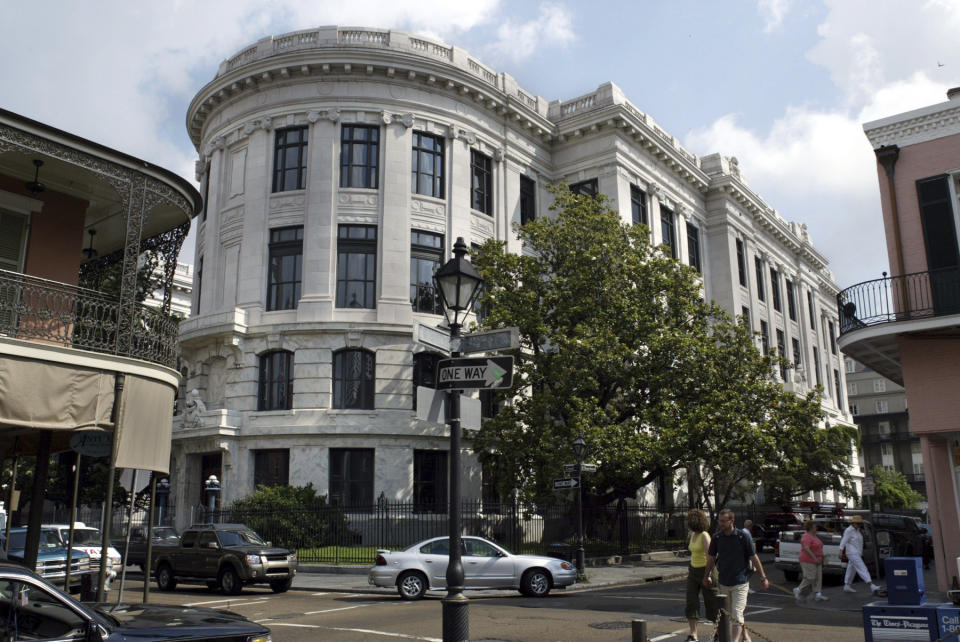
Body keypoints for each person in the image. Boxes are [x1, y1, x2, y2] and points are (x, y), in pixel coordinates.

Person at [704, 508, 769, 642]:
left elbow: (754, 557)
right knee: (730, 615)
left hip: (741, 582)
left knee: (737, 614)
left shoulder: (742, 536)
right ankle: (745, 636)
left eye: (724, 521)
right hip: (724, 582)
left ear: (732, 521)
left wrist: (763, 577)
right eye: (719, 521)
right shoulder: (717, 537)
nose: (721, 524)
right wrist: (707, 575)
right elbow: (710, 558)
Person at [685, 509, 720, 642]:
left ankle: (718, 633)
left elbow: (710, 556)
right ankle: (693, 634)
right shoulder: (693, 534)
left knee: (712, 603)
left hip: (706, 570)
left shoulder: (704, 535)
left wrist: (709, 574)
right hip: (693, 571)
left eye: (690, 520)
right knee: (691, 602)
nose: (688, 522)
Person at [839, 515, 880, 593]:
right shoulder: (849, 531)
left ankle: (847, 585)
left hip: (856, 552)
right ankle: (871, 585)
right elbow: (843, 541)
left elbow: (859, 542)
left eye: (860, 524)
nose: (859, 525)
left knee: (851, 569)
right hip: (852, 552)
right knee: (862, 567)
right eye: (858, 524)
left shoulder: (857, 530)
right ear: (853, 523)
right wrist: (840, 551)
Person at [793, 519, 828, 603]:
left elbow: (819, 547)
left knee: (819, 577)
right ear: (811, 528)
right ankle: (798, 589)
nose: (816, 528)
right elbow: (807, 548)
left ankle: (818, 594)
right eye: (815, 527)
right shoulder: (806, 536)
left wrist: (822, 557)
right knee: (810, 577)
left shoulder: (814, 536)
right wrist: (814, 558)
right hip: (808, 560)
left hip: (818, 560)